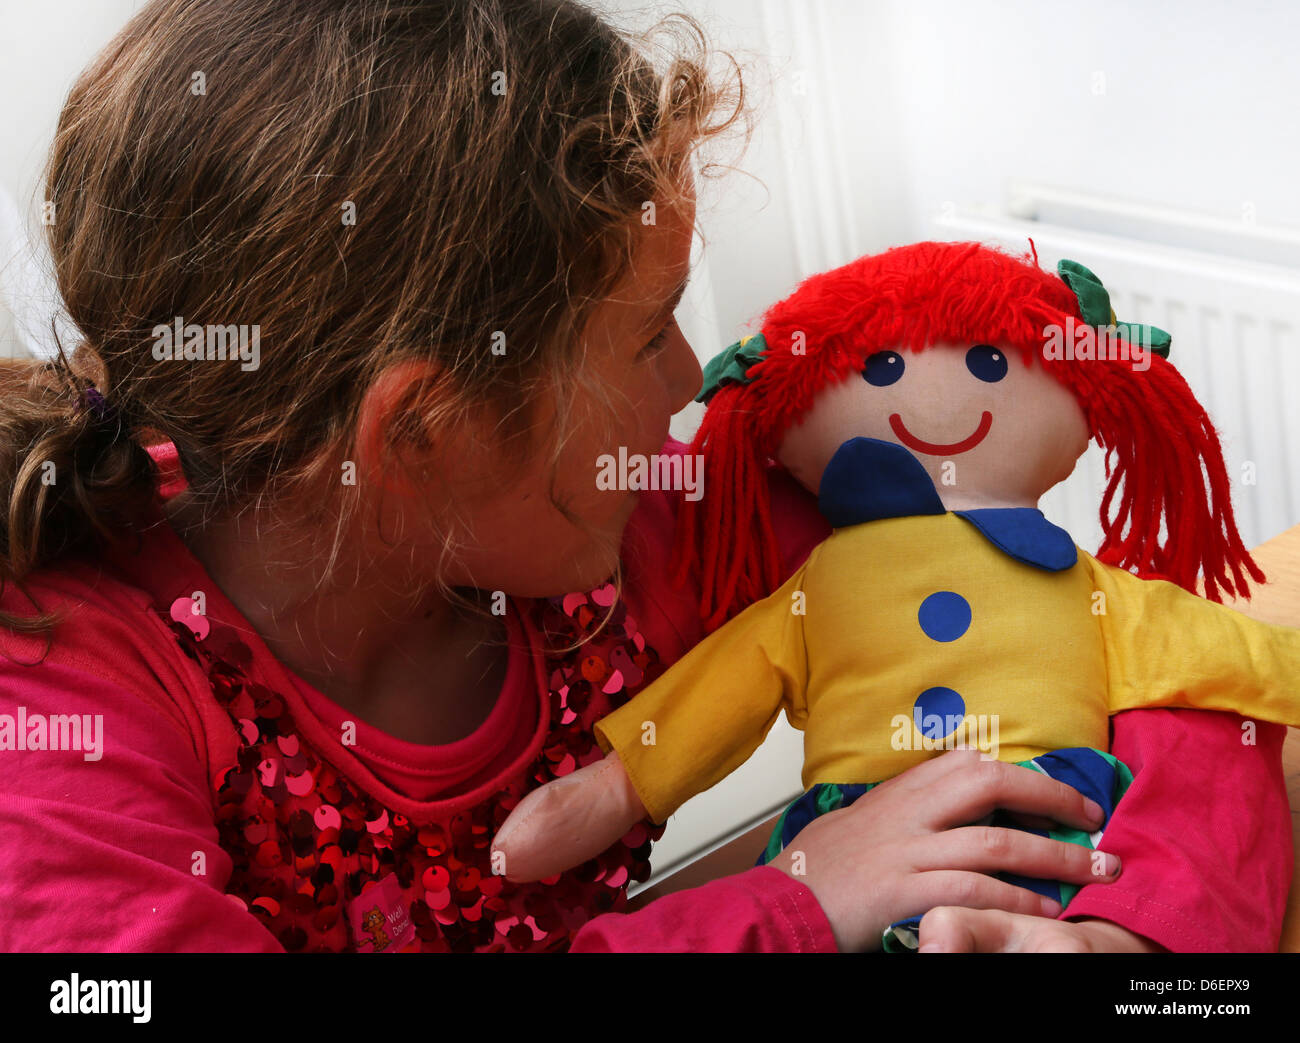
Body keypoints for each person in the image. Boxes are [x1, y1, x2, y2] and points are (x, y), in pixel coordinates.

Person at [0, 0, 1289, 953]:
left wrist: (1146, 939)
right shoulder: (55, 708)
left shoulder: (659, 529)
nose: (691, 376)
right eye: (644, 329)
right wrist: (786, 907)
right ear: (422, 433)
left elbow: (1140, 663)